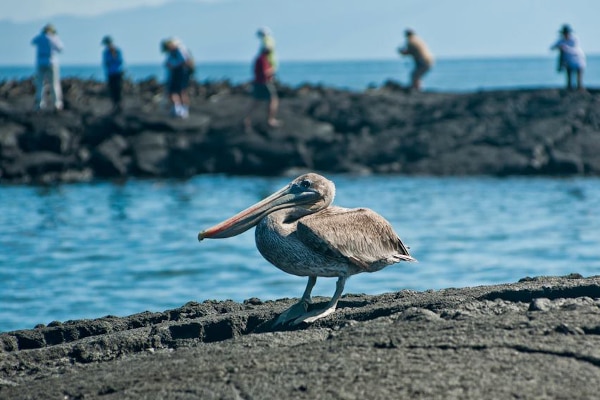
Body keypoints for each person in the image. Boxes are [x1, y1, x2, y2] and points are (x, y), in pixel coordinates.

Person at [244, 45, 280, 130]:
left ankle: (247, 119)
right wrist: (272, 70)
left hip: (258, 82)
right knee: (273, 100)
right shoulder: (262, 59)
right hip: (264, 83)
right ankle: (271, 120)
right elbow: (265, 73)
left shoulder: (259, 59)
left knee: (256, 102)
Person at [31, 24, 64, 111]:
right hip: (51, 62)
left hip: (40, 62)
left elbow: (33, 42)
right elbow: (60, 48)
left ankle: (39, 104)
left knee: (40, 84)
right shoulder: (54, 38)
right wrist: (55, 36)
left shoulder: (40, 37)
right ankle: (56, 104)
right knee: (54, 84)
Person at [161, 37, 194, 118]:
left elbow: (183, 61)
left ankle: (182, 110)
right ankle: (178, 109)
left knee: (180, 91)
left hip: (180, 73)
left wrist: (173, 65)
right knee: (175, 91)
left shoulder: (180, 50)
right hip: (177, 73)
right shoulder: (173, 52)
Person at [551, 24, 586, 91]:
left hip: (578, 60)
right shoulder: (561, 40)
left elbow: (574, 49)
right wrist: (560, 47)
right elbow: (552, 47)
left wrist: (565, 48)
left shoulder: (574, 39)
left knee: (579, 79)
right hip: (568, 62)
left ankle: (580, 89)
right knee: (569, 77)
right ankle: (569, 89)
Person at [101, 36, 124, 112]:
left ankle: (119, 104)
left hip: (118, 72)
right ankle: (114, 105)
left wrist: (114, 56)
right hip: (110, 73)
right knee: (112, 89)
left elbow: (120, 61)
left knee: (118, 88)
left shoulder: (118, 51)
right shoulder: (105, 52)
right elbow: (105, 62)